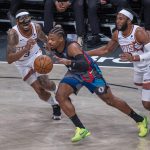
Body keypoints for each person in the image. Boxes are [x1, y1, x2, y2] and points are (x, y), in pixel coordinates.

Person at [47, 24, 148, 143]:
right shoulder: (52, 45)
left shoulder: (72, 47)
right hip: (74, 73)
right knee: (60, 96)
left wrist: (69, 62)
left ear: (61, 39)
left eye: (52, 39)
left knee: (110, 100)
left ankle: (140, 120)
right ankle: (80, 128)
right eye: (49, 38)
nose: (49, 41)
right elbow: (45, 41)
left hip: (90, 73)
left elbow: (84, 64)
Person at [87, 9, 150, 112]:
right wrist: (84, 53)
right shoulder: (117, 34)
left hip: (148, 67)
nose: (117, 21)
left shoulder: (139, 33)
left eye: (121, 19)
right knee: (146, 102)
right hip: (138, 69)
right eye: (117, 18)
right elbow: (107, 49)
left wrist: (134, 57)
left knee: (146, 104)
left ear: (129, 21)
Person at [6, 9, 61, 120]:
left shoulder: (36, 27)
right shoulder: (13, 34)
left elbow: (44, 38)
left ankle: (58, 92)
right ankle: (55, 104)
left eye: (28, 19)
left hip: (36, 56)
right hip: (21, 63)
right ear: (17, 22)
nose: (26, 22)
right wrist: (25, 48)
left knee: (45, 83)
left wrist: (49, 45)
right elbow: (9, 59)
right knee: (39, 91)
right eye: (22, 20)